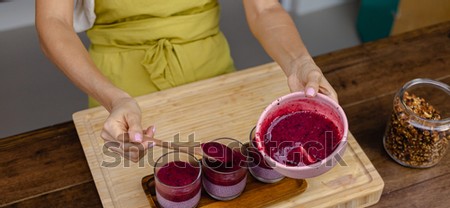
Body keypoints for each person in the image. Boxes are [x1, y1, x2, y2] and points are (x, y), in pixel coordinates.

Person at [36, 0, 338, 162]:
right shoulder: (115, 98)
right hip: (118, 87)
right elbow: (53, 21)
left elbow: (265, 8)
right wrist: (114, 99)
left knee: (232, 174)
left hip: (212, 71)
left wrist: (299, 62)